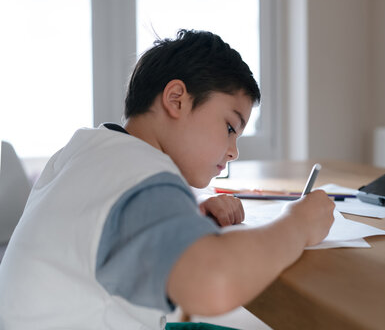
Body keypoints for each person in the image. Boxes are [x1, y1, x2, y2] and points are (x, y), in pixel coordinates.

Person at [0, 29, 335, 329]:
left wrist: (185, 220)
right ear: (176, 99)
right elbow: (213, 282)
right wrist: (298, 224)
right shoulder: (139, 174)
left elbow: (102, 231)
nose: (234, 152)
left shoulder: (88, 150)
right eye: (230, 128)